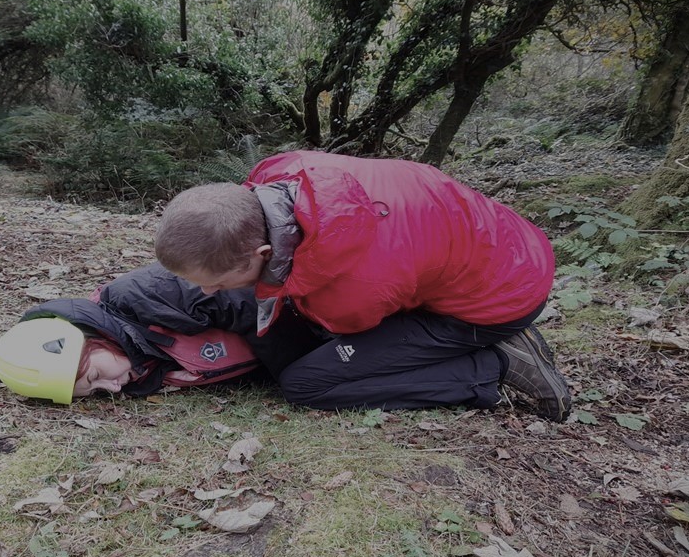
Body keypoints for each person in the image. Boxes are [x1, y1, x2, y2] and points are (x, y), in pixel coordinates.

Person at [154, 150, 573, 421]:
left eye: (218, 283)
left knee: (308, 382)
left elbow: (344, 327)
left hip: (499, 299)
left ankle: (495, 363)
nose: (209, 293)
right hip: (511, 246)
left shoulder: (349, 290)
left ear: (263, 252)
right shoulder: (283, 172)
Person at [0, 262, 325, 404]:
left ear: (89, 340)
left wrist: (301, 365)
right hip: (306, 333)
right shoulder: (140, 360)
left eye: (95, 374)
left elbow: (250, 304)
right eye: (95, 392)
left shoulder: (141, 295)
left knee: (304, 387)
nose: (112, 387)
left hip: (314, 307)